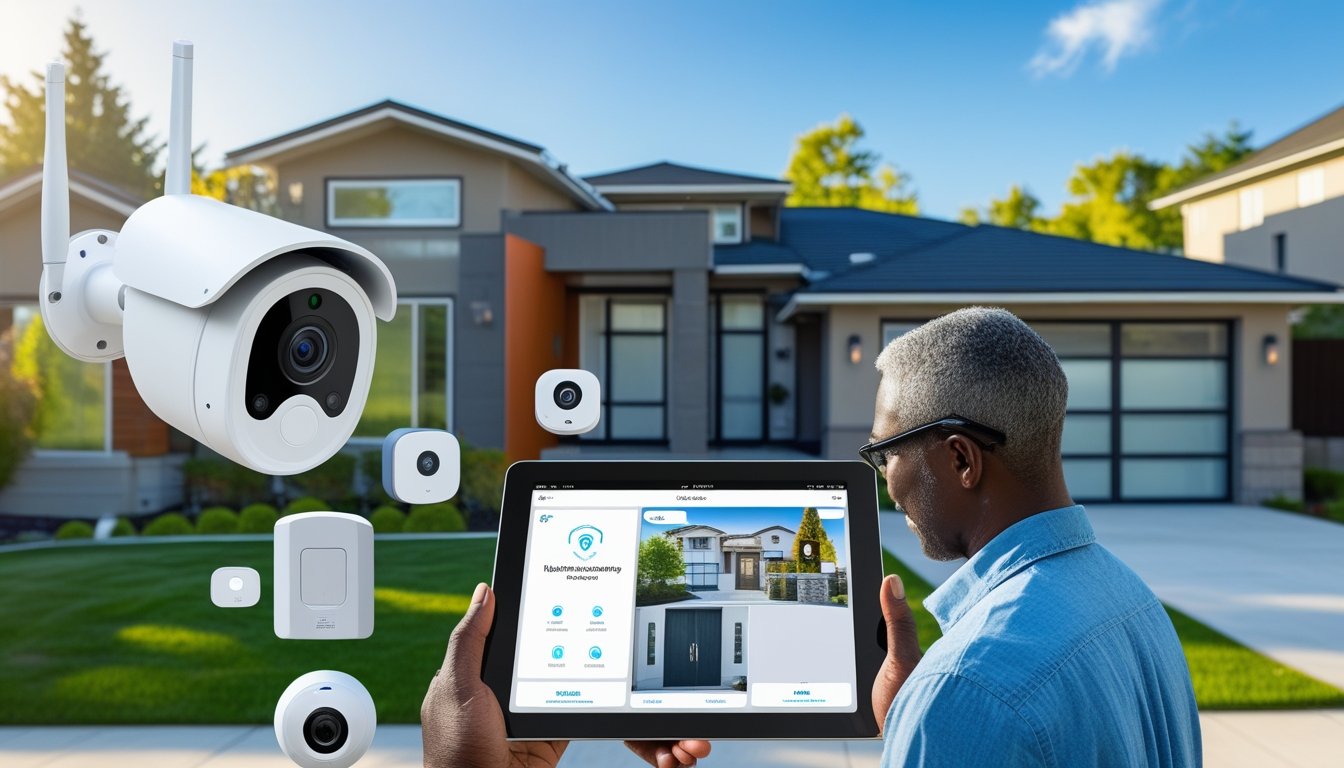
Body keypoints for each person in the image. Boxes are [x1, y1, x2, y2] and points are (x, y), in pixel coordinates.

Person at [422, 306, 1200, 767]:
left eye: (886, 451)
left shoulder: (968, 690)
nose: (885, 480)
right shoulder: (1132, 607)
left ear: (960, 458)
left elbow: (982, 713)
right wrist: (912, 733)